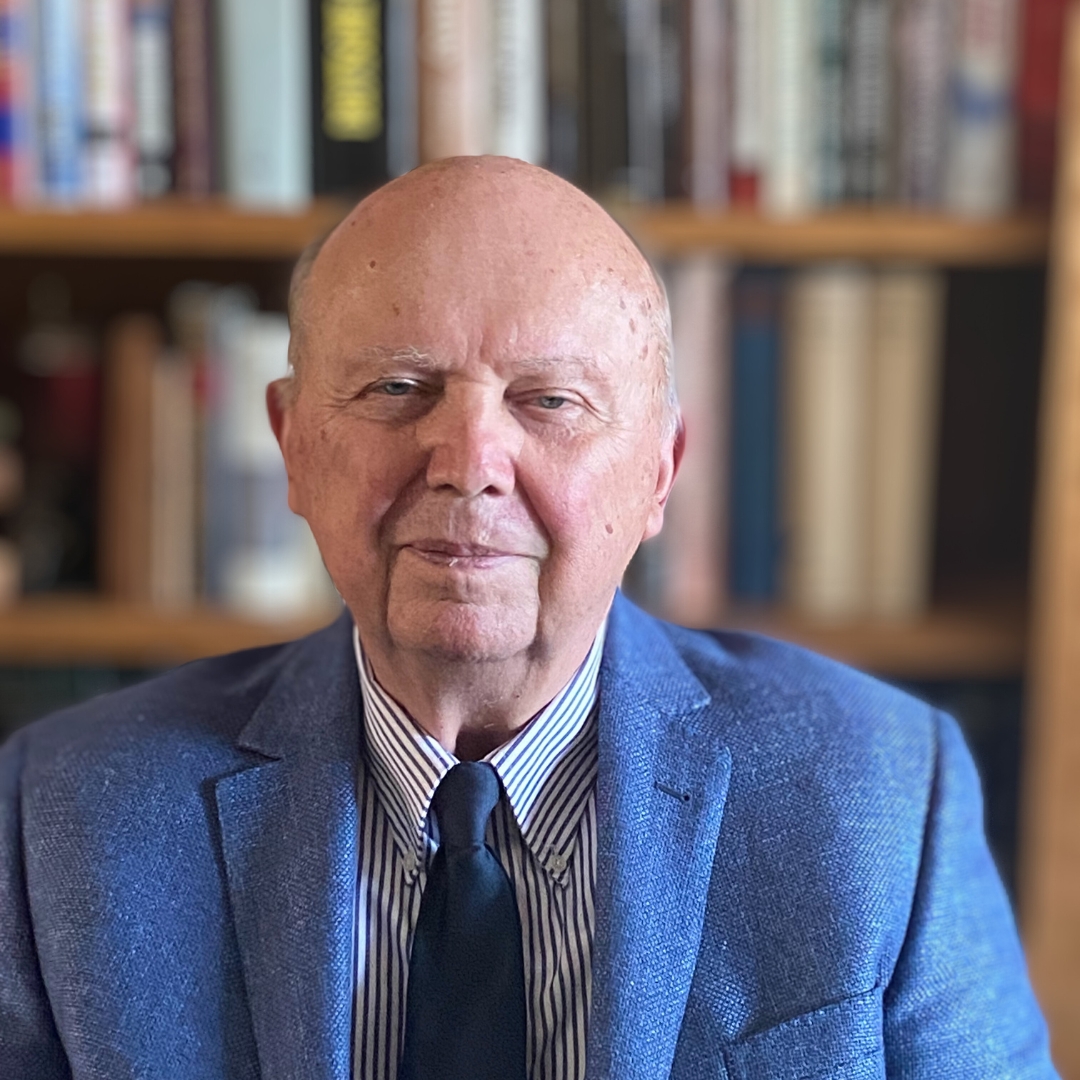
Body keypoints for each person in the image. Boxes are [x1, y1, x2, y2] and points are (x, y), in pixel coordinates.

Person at [0, 157, 1057, 1080]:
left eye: (550, 401)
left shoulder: (879, 793)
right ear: (291, 445)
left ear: (660, 471)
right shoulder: (59, 815)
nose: (467, 465)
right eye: (397, 387)